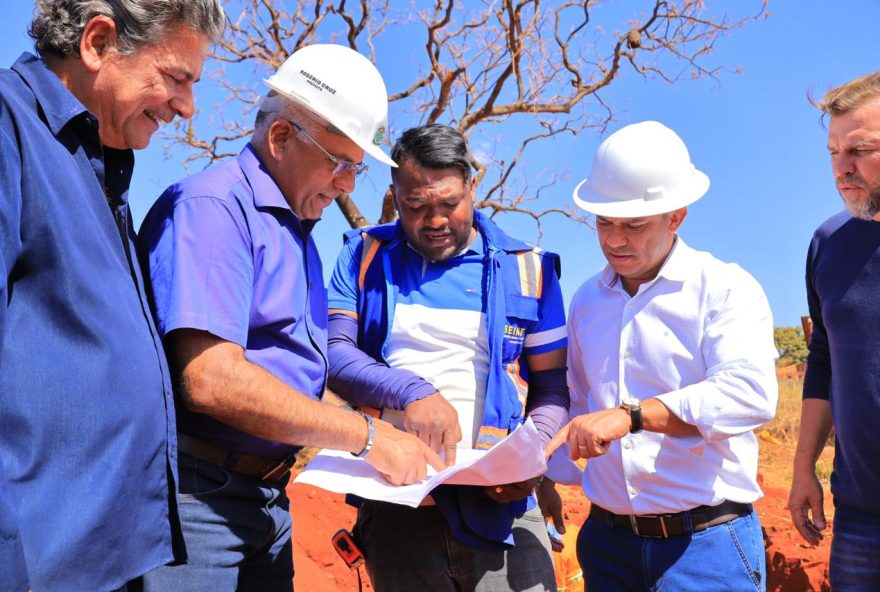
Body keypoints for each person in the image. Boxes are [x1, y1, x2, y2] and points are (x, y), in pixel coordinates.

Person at [136, 44, 445, 591]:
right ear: (280, 138)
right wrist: (366, 435)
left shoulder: (297, 235)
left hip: (264, 502)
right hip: (199, 504)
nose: (350, 184)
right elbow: (210, 378)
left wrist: (394, 410)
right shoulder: (213, 209)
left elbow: (302, 369)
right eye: (342, 163)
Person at [0, 1, 225, 590]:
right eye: (176, 78)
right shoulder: (7, 125)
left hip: (104, 559)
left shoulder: (100, 166)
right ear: (99, 43)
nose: (186, 107)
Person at [326, 123, 569, 591]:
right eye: (416, 206)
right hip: (398, 507)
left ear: (472, 187)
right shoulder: (363, 258)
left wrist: (529, 458)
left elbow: (553, 391)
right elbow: (336, 354)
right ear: (395, 197)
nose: (435, 220)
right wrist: (412, 391)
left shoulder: (529, 268)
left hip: (506, 511)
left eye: (449, 204)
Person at [546, 120, 778, 591]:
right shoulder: (586, 301)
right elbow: (576, 402)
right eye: (604, 222)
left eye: (633, 225)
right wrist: (542, 472)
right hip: (608, 546)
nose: (614, 239)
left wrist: (631, 417)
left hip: (707, 549)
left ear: (676, 216)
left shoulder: (725, 288)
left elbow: (749, 395)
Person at [788, 72, 880, 590]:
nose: (842, 168)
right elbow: (823, 360)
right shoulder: (828, 242)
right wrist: (805, 470)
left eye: (860, 150)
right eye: (833, 152)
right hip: (860, 518)